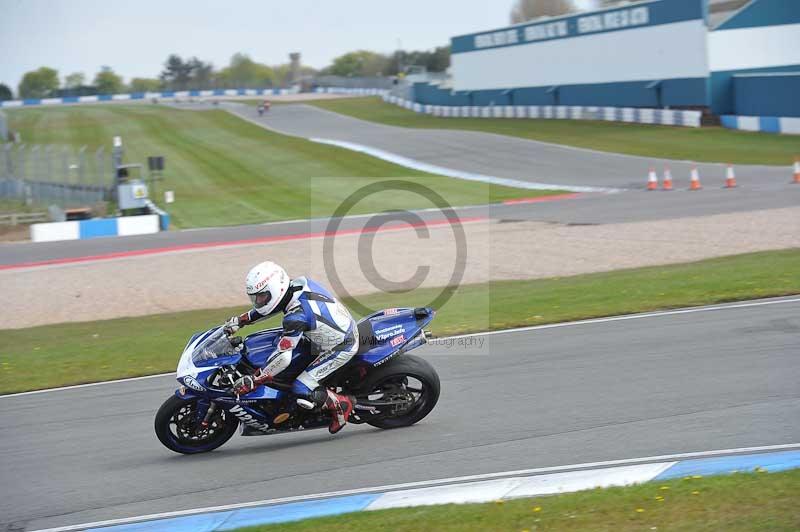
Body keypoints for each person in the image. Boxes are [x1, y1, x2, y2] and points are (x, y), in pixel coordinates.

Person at [225, 261, 358, 434]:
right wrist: (241, 321)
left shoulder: (296, 317)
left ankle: (341, 405)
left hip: (339, 346)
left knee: (301, 387)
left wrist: (254, 380)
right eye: (255, 297)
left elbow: (282, 358)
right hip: (320, 335)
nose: (258, 302)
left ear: (274, 290)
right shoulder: (297, 285)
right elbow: (271, 306)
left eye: (261, 297)